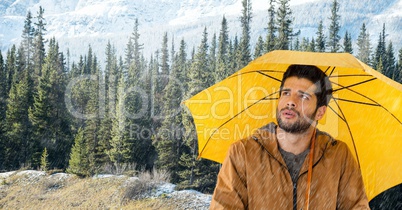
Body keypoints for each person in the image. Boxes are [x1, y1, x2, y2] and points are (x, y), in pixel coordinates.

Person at [210, 65, 369, 209]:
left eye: (304, 97)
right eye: (286, 93)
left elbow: (356, 207)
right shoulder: (243, 153)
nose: (291, 102)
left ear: (320, 112)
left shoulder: (338, 155)